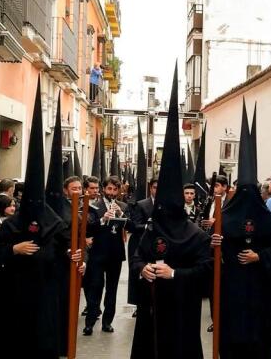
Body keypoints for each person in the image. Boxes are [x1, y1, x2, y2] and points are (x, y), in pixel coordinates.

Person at [0, 84, 83, 359]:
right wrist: (14, 250)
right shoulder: (10, 227)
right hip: (15, 302)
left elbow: (68, 255)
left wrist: (75, 257)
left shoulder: (54, 226)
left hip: (45, 301)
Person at [130, 64, 212, 358]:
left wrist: (174, 273)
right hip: (152, 306)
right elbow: (138, 255)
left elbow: (205, 270)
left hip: (181, 308)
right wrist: (145, 269)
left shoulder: (196, 235)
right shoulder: (153, 229)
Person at [211, 100, 271, 359]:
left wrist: (259, 256)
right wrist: (215, 242)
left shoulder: (265, 218)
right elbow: (213, 247)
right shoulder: (225, 215)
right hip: (232, 285)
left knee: (259, 334)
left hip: (259, 287)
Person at [84, 176, 132, 335]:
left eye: (115, 189)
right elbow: (89, 229)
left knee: (112, 289)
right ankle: (90, 322)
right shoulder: (94, 206)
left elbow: (131, 226)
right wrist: (103, 219)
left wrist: (121, 215)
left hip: (115, 254)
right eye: (109, 189)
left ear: (118, 191)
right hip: (98, 253)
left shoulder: (123, 205)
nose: (112, 192)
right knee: (95, 287)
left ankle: (107, 322)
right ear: (103, 189)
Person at [126, 178, 157, 313]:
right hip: (140, 243)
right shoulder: (141, 204)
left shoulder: (166, 204)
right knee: (139, 274)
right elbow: (134, 225)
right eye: (155, 187)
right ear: (150, 188)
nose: (157, 190)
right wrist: (148, 226)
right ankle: (139, 305)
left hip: (158, 246)